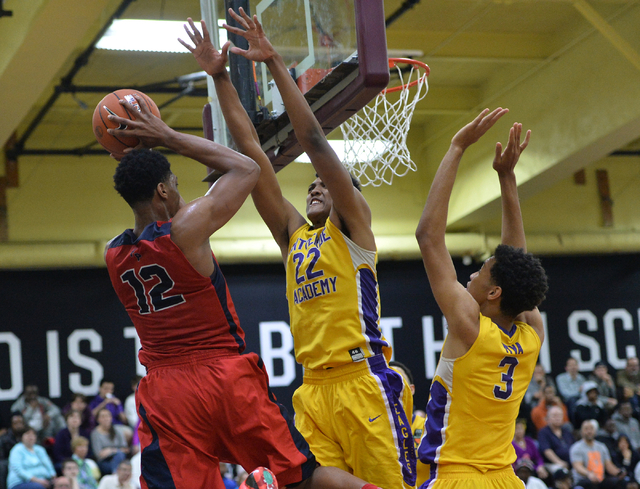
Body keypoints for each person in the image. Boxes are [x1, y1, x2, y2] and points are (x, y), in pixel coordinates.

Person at [180, 12, 415, 489]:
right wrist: (221, 76)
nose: (314, 188)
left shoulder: (352, 230)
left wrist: (273, 65)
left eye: (323, 185)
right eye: (309, 185)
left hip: (363, 382)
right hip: (312, 390)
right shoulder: (295, 236)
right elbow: (251, 155)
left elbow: (312, 140)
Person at [104, 87, 378, 489]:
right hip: (225, 376)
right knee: (301, 477)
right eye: (175, 184)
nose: (181, 193)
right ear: (163, 191)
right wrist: (167, 135)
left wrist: (132, 157)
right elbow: (247, 169)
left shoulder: (114, 255)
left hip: (167, 392)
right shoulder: (185, 230)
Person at [414, 107, 547, 489]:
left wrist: (456, 147)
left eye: (481, 271)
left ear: (493, 292)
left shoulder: (468, 326)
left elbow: (428, 236)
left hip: (456, 477)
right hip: (506, 478)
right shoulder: (531, 332)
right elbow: (515, 263)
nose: (470, 273)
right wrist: (506, 177)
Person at [570, 419, 626, 489]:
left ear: (595, 431)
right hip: (584, 479)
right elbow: (578, 466)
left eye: (591, 429)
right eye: (586, 429)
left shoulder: (601, 446)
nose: (589, 431)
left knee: (620, 482)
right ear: (581, 432)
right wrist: (589, 474)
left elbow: (608, 465)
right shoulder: (576, 447)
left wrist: (618, 473)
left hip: (600, 479)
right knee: (589, 484)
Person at [90, 409, 129, 476]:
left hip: (119, 459)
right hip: (105, 462)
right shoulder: (95, 434)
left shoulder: (117, 430)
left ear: (111, 418)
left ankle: (116, 473)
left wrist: (111, 450)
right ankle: (116, 475)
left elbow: (126, 449)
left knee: (120, 455)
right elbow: (99, 455)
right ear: (98, 419)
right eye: (103, 416)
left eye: (108, 416)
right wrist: (117, 450)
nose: (106, 419)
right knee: (119, 456)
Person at [538, 406, 575, 473]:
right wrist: (559, 462)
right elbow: (547, 450)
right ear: (548, 418)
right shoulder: (543, 432)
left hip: (571, 463)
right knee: (561, 471)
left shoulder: (567, 432)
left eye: (559, 415)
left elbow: (574, 447)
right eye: (554, 416)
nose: (557, 418)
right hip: (552, 464)